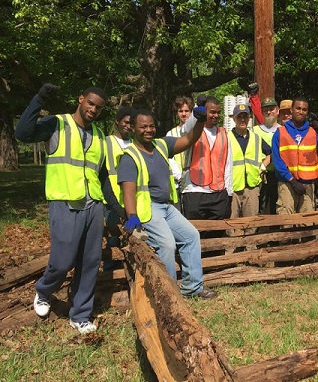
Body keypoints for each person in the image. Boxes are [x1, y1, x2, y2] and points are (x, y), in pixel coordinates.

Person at [15, 84, 125, 334]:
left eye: (98, 107)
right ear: (81, 99)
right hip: (64, 202)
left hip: (93, 205)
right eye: (90, 103)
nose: (93, 109)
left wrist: (117, 209)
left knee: (90, 262)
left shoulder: (98, 134)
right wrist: (39, 98)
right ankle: (43, 291)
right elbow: (22, 133)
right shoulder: (58, 124)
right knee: (62, 260)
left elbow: (104, 176)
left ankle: (81, 314)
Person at [117, 108, 217, 299]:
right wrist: (131, 216)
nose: (148, 130)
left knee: (191, 235)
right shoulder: (130, 156)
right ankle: (169, 294)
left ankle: (192, 288)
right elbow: (128, 190)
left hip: (167, 206)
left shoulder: (161, 145)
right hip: (148, 207)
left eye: (151, 126)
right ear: (133, 129)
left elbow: (188, 140)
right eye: (143, 127)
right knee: (167, 244)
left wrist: (199, 121)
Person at [181, 96, 233, 237]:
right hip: (195, 191)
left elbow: (228, 164)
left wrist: (228, 192)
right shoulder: (193, 130)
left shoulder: (224, 134)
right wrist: (197, 111)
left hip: (218, 193)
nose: (215, 115)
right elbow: (186, 128)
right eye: (212, 112)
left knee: (216, 234)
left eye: (218, 112)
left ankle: (214, 259)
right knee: (194, 233)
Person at [272, 97, 318, 215]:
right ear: (291, 110)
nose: (301, 112)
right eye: (297, 108)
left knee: (307, 222)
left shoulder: (313, 132)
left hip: (307, 184)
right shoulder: (280, 132)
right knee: (286, 219)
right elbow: (277, 161)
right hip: (287, 183)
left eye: (304, 109)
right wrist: (292, 181)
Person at [228, 104, 271, 234]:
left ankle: (250, 252)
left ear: (249, 118)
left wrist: (263, 166)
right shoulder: (227, 137)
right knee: (231, 225)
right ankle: (231, 252)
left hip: (252, 186)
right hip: (233, 187)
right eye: (239, 117)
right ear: (234, 119)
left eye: (245, 117)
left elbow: (271, 152)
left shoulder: (256, 138)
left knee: (251, 224)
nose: (242, 120)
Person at [103, 106, 132, 270]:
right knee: (113, 237)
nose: (128, 126)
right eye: (125, 122)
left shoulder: (135, 143)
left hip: (131, 198)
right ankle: (110, 271)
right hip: (112, 198)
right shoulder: (106, 142)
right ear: (117, 122)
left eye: (131, 123)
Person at [252, 97, 281, 214]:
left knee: (277, 207)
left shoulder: (283, 130)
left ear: (277, 110)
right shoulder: (254, 131)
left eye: (271, 109)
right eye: (265, 110)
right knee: (259, 208)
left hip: (279, 175)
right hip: (260, 177)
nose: (269, 112)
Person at [166, 96, 193, 210]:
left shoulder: (195, 132)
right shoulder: (171, 133)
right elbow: (168, 158)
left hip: (192, 179)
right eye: (180, 111)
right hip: (176, 181)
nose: (183, 114)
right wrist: (178, 175)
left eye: (186, 111)